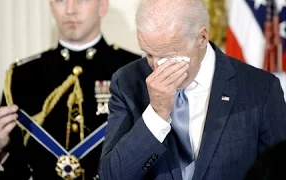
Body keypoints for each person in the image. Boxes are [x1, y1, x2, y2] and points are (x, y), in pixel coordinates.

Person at [98, 0, 286, 180]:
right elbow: (111, 175)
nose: (156, 67)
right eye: (148, 53)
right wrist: (157, 114)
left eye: (168, 56)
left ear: (202, 38)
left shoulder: (261, 88)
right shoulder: (127, 81)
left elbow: (277, 171)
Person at [0, 0, 140, 179]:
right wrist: (1, 148)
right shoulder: (21, 75)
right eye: (61, 0)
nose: (70, 10)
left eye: (82, 1)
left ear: (103, 6)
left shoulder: (133, 71)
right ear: (51, 7)